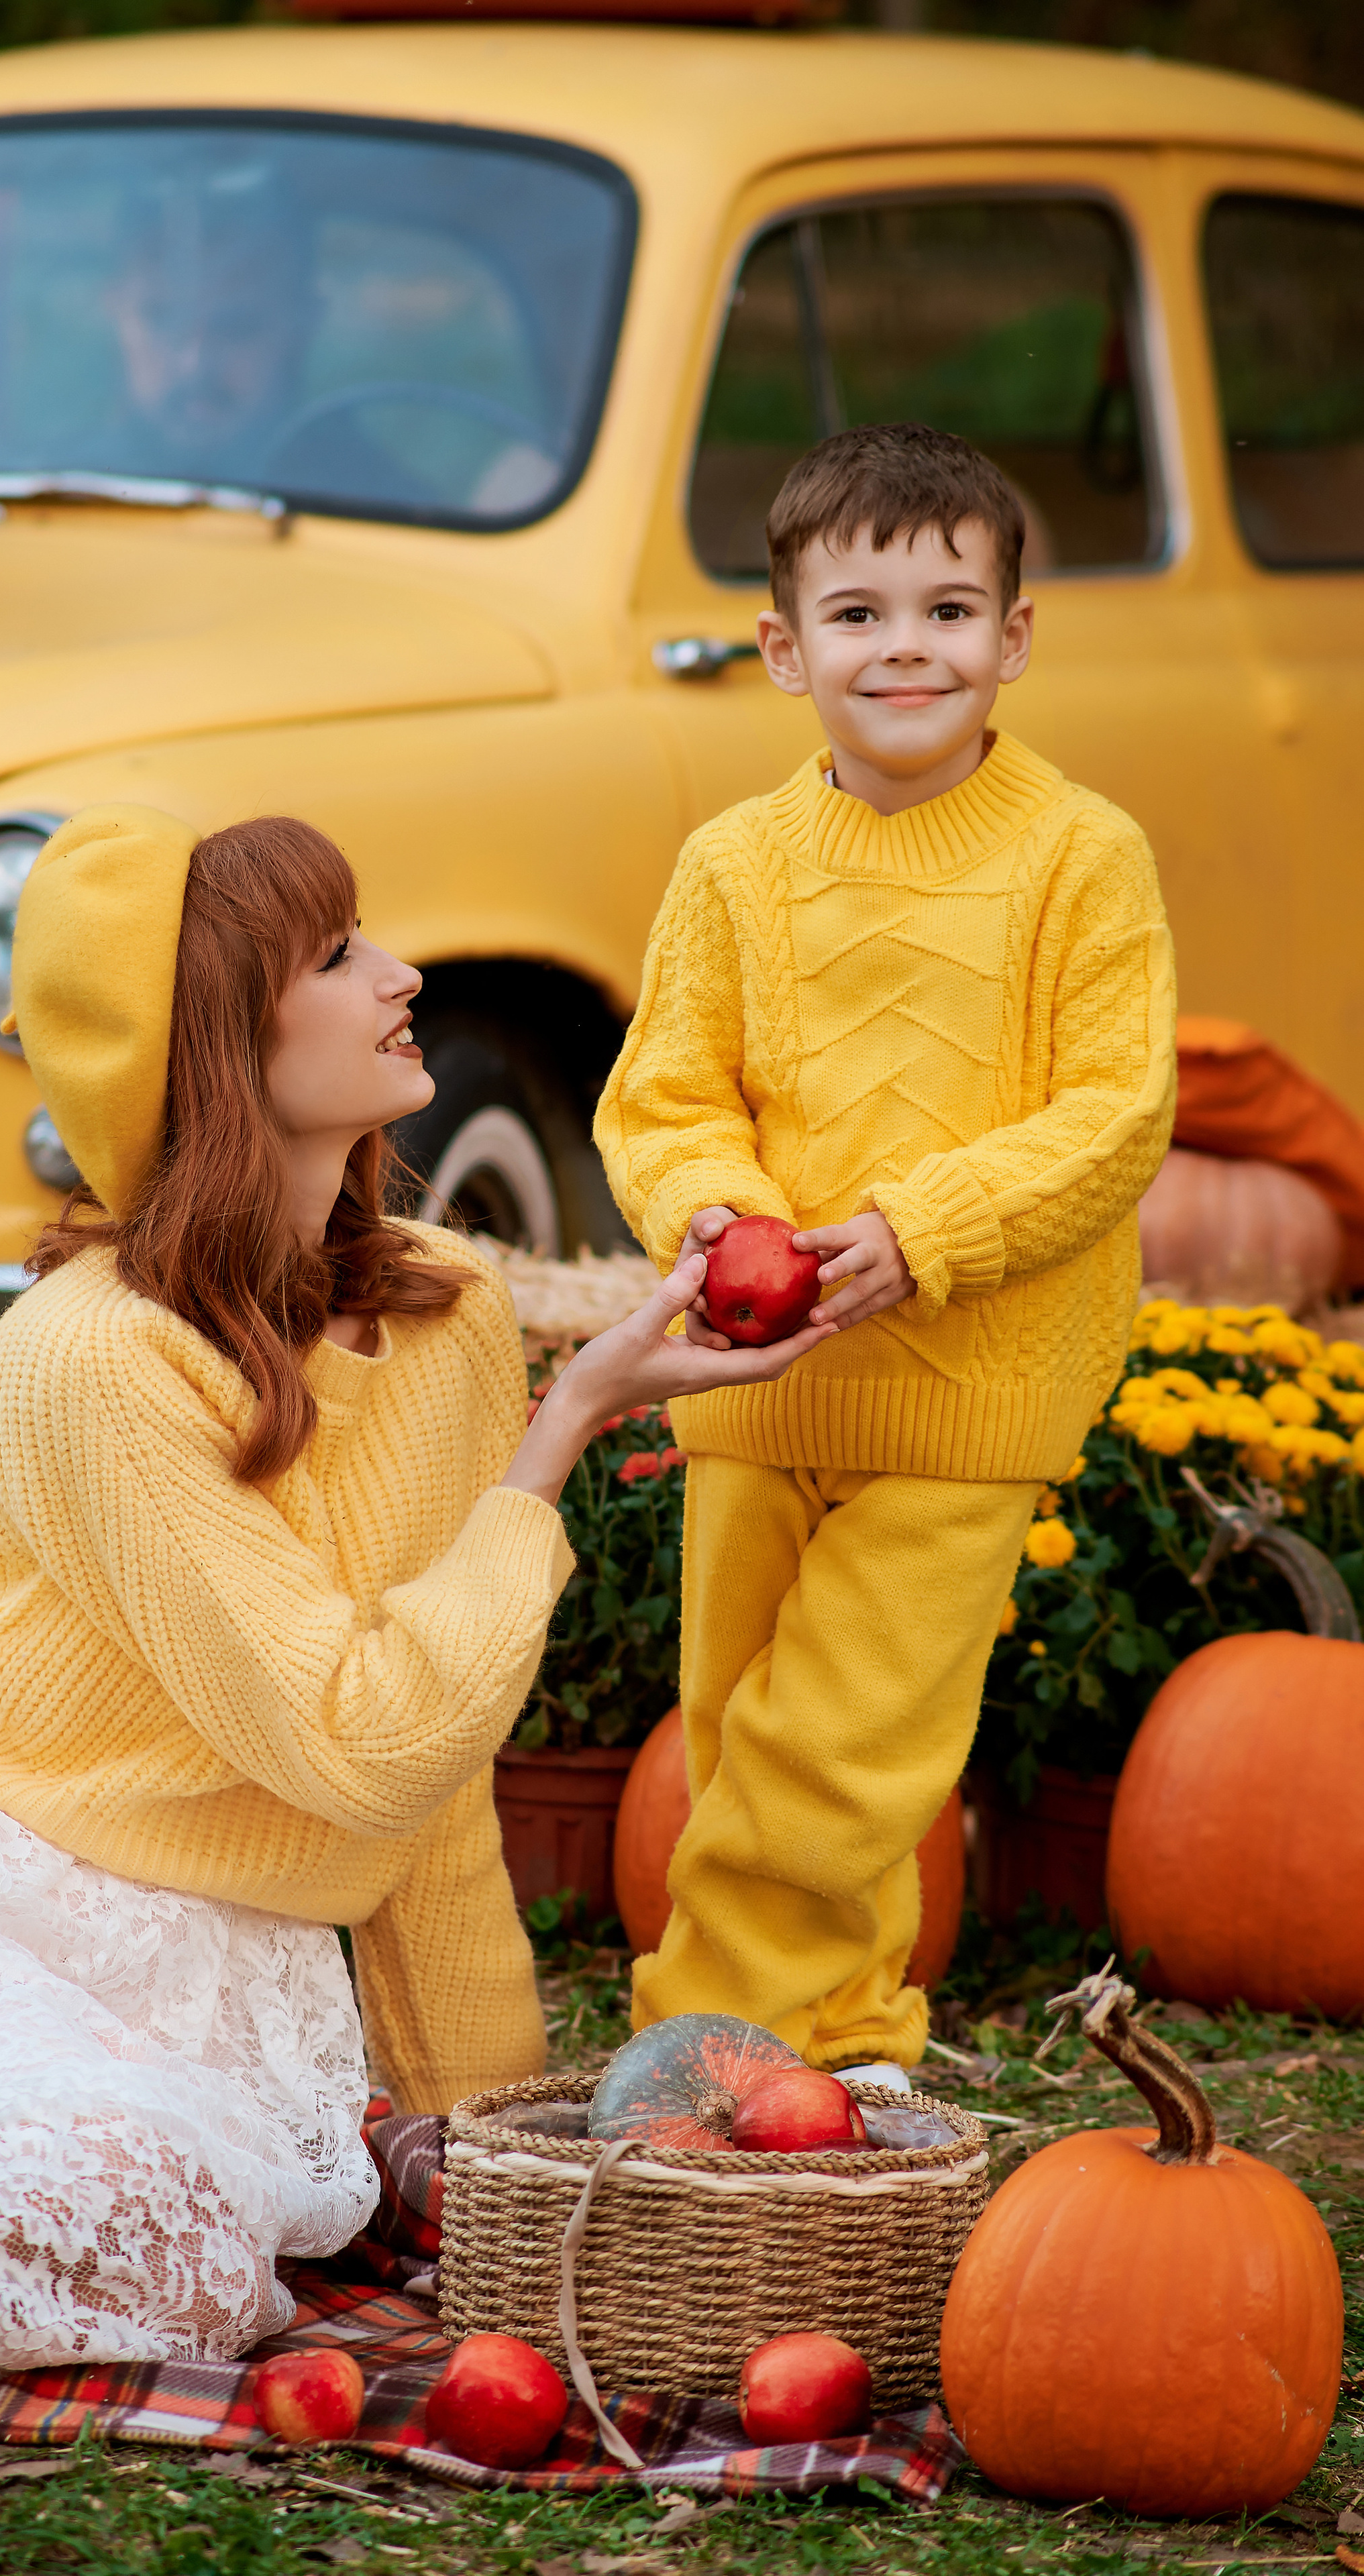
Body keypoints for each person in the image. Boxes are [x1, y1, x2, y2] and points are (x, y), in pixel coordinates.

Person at [0, 805, 819, 2417]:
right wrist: (561, 1439)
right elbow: (357, 1741)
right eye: (337, 957)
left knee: (189, 2256)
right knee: (97, 2172)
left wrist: (488, 2153)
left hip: (165, 1970)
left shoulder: (450, 1314)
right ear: (217, 1045)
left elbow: (431, 1783)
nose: (400, 974)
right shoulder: (88, 1359)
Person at [594, 420, 1177, 2071]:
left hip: (960, 1398)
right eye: (855, 615)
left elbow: (1111, 1114)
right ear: (782, 649)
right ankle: (846, 2057)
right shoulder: (735, 866)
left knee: (838, 1755)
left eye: (943, 610)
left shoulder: (1080, 857)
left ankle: (702, 2060)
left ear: (1011, 638)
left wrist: (916, 1232)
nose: (901, 647)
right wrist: (710, 1210)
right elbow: (662, 1094)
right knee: (734, 1735)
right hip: (757, 1384)